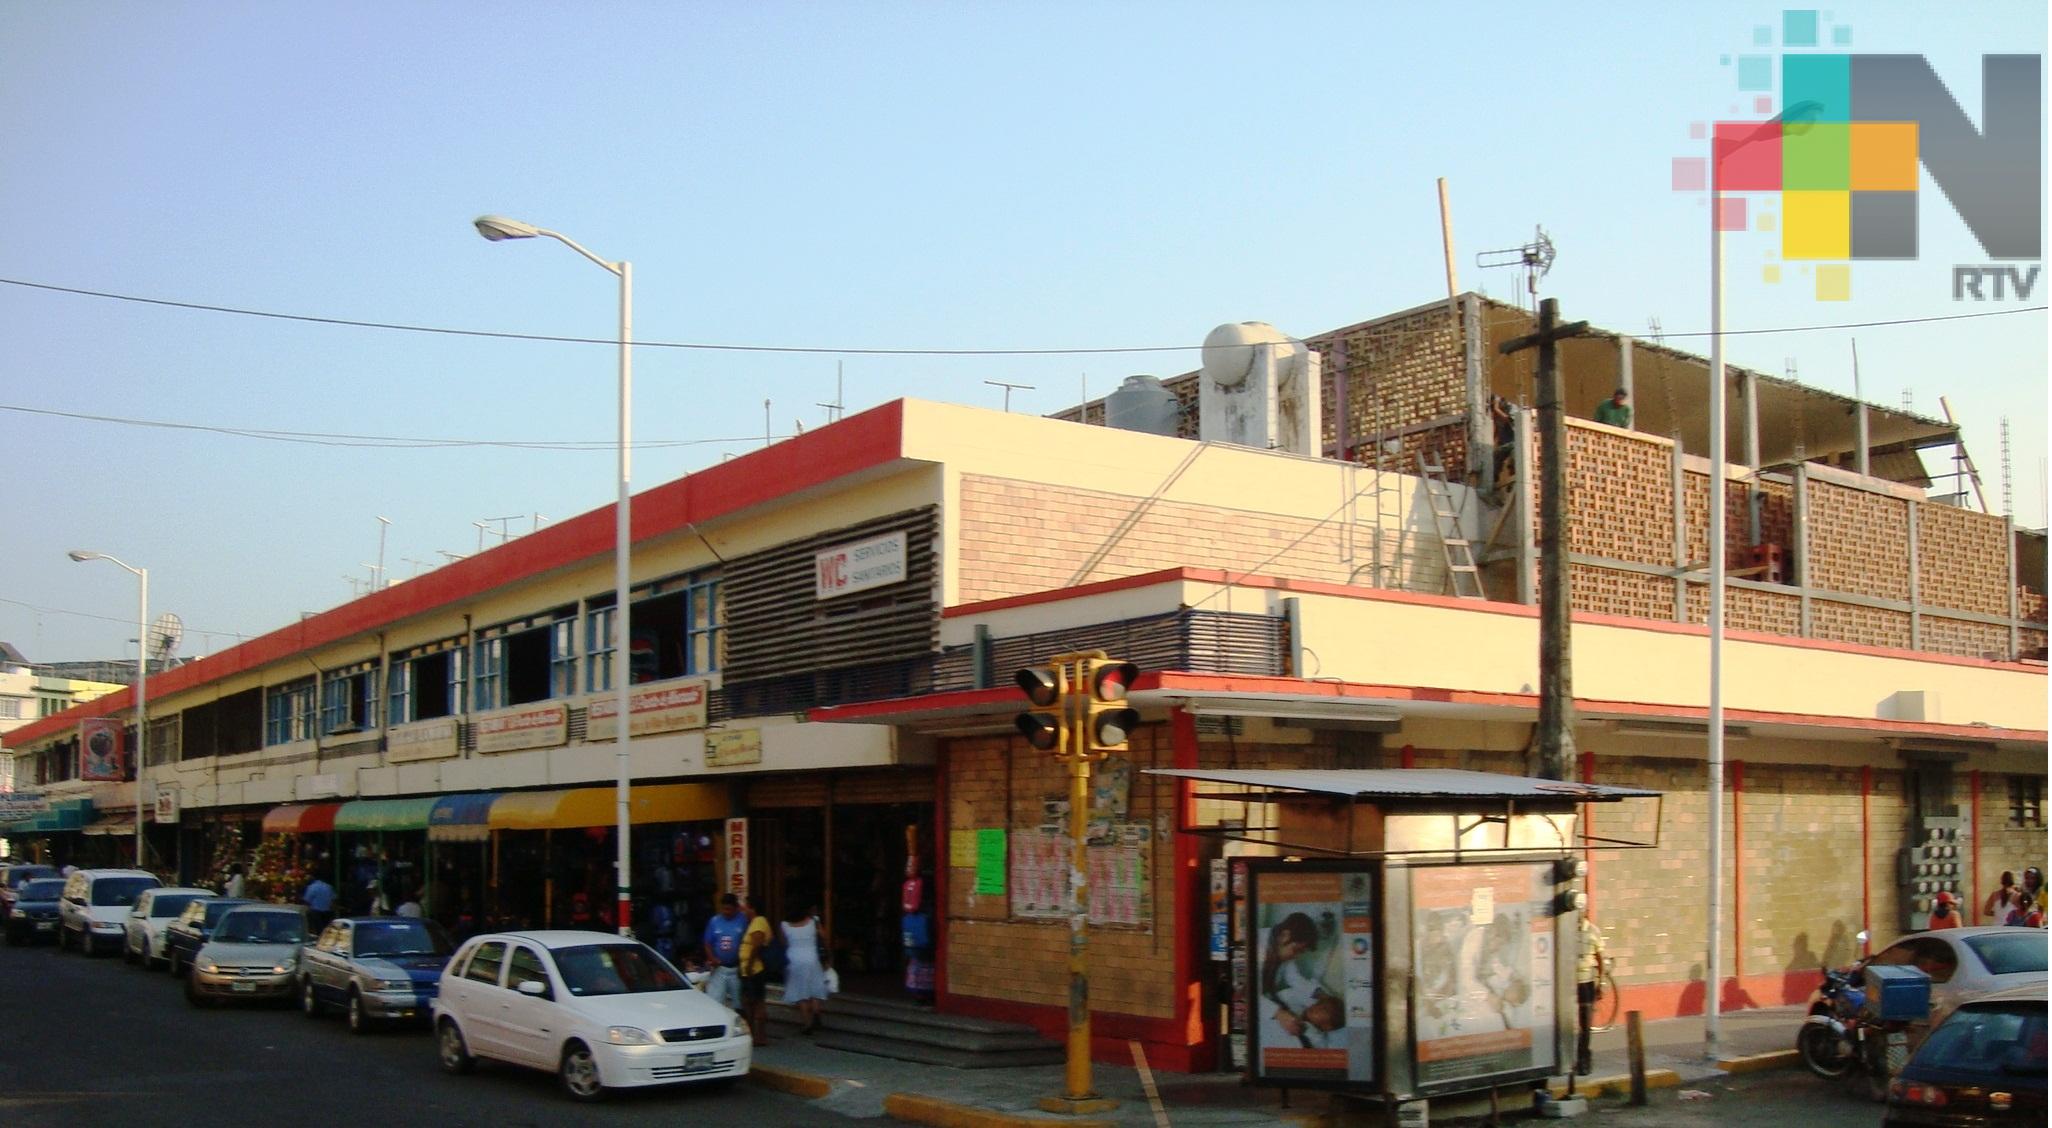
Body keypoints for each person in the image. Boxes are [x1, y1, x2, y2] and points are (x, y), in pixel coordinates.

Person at [780, 902, 831, 1035]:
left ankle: (807, 1023)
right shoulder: (813, 921)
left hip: (794, 958)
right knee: (814, 986)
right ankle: (816, 1012)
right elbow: (824, 937)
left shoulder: (784, 925)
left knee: (800, 992)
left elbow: (784, 942)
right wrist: (827, 954)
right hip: (812, 957)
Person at [700, 894, 747, 1011]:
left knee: (739, 1003)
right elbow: (707, 943)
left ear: (736, 908)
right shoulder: (714, 921)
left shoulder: (743, 920)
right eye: (724, 909)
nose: (726, 912)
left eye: (729, 909)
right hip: (719, 968)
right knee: (715, 1001)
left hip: (737, 969)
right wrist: (712, 958)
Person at [737, 898, 773, 1046]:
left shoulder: (759, 921)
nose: (744, 910)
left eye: (746, 907)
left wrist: (749, 965)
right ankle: (752, 1033)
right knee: (748, 1002)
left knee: (757, 1003)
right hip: (748, 969)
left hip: (754, 970)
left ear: (753, 908)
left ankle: (760, 1035)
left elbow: (756, 945)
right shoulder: (753, 922)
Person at [1576, 911, 1607, 1075]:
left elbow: (1600, 957)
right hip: (1567, 983)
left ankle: (1583, 1058)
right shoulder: (1568, 930)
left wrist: (1600, 982)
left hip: (1586, 981)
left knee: (1585, 1024)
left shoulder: (1593, 931)